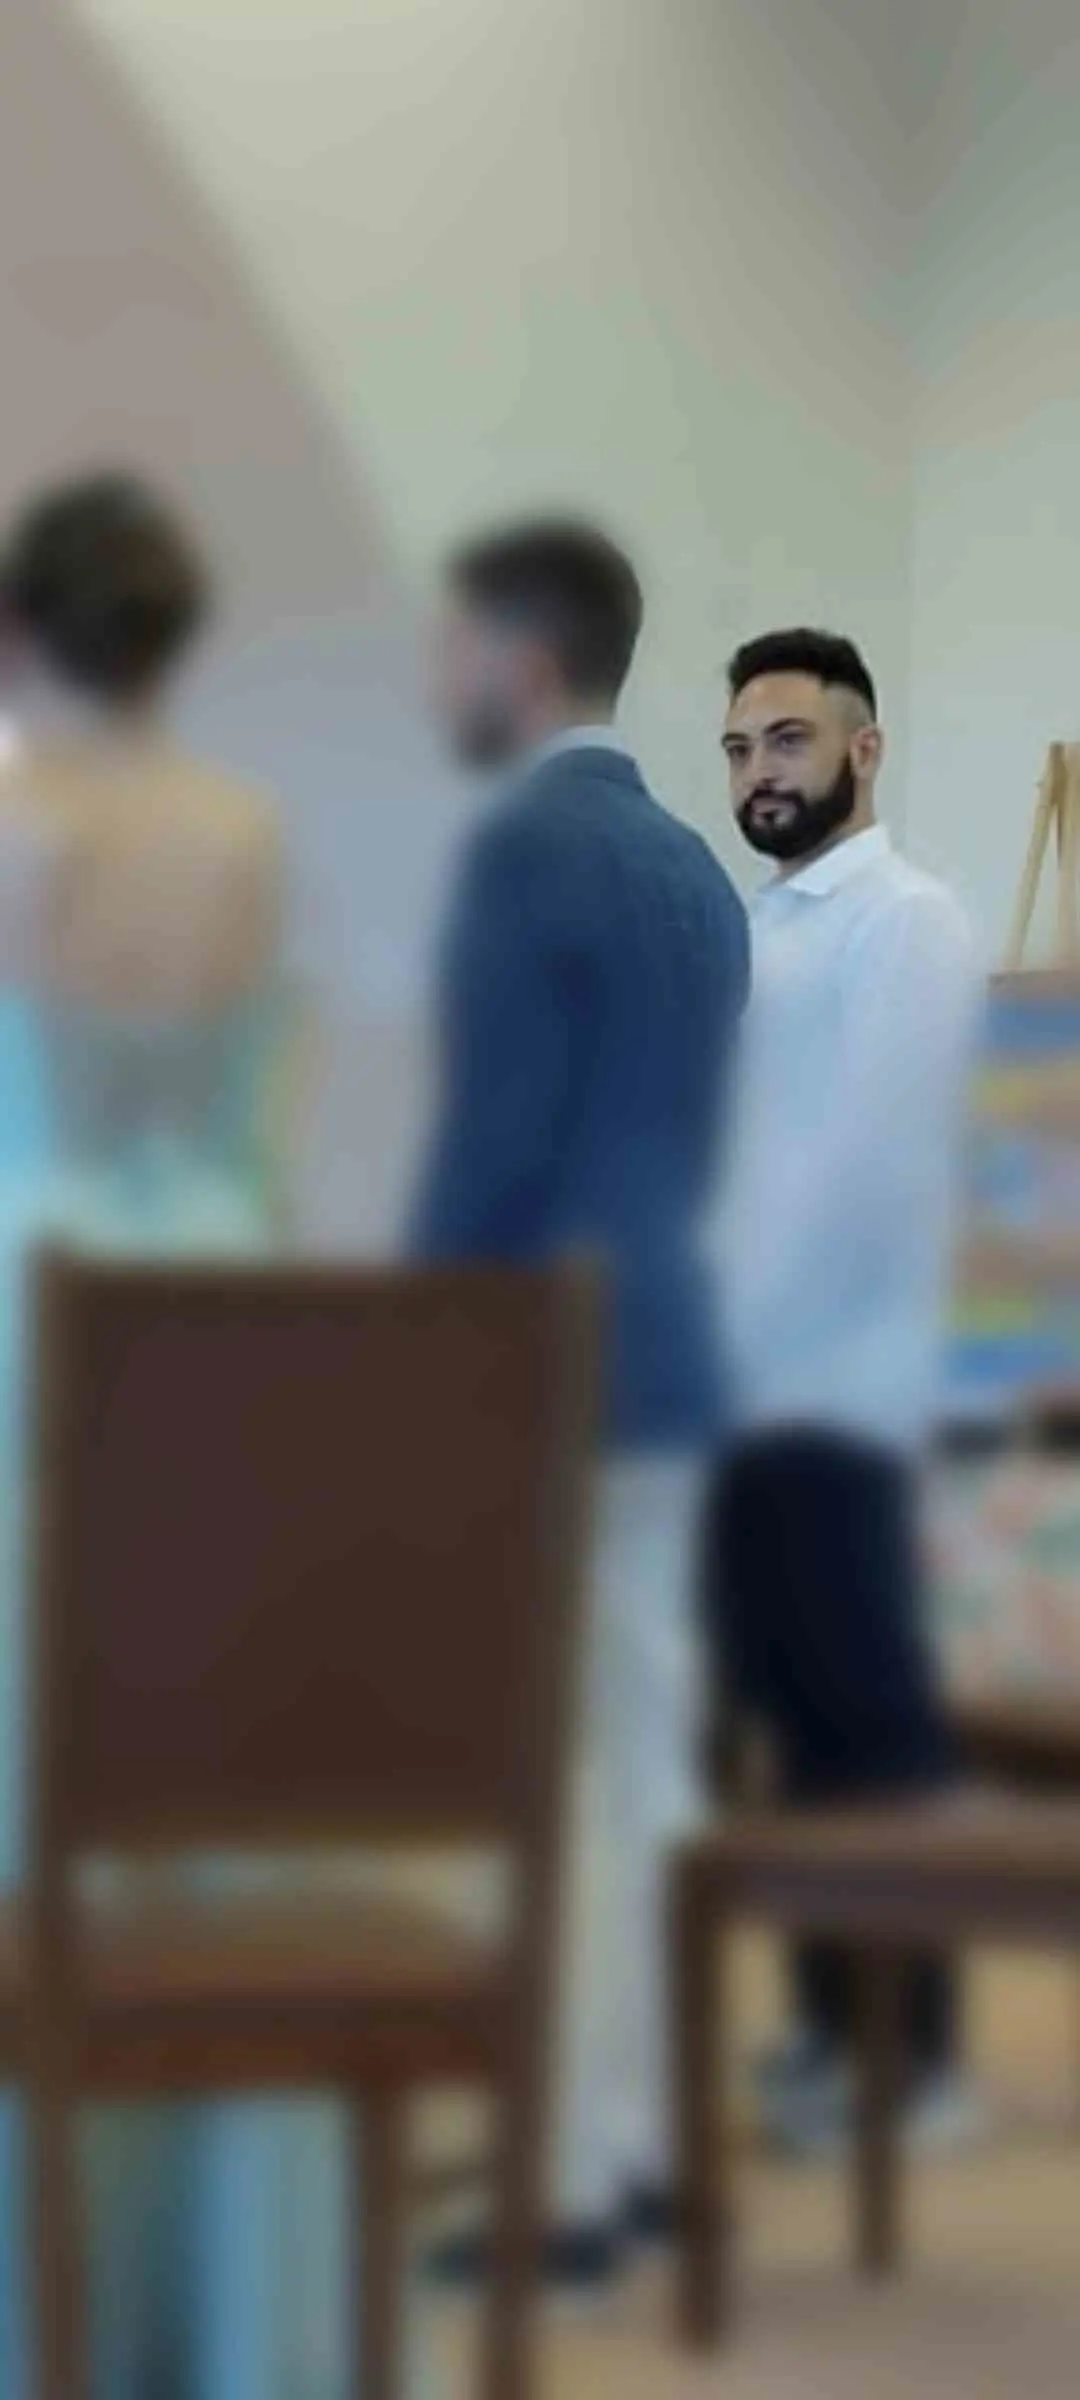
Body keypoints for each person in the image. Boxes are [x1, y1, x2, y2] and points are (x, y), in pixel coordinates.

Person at [0, 472, 326, 2400]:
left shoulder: (11, 824)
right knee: (201, 1829)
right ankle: (216, 2334)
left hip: (25, 1315)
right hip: (219, 1331)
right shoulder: (247, 835)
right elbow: (263, 1134)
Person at [410, 519, 749, 2277]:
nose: (437, 674)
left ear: (522, 658)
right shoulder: (697, 868)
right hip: (674, 1349)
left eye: (452, 641)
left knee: (549, 1788)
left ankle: (559, 2192)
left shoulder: (517, 848)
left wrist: (397, 1362)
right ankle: (645, 2155)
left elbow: (489, 1153)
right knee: (647, 1768)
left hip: (543, 1367)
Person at [704, 627, 982, 2154]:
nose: (761, 772)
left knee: (869, 1730)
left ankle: (920, 2061)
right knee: (795, 1732)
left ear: (864, 750)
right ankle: (831, 2031)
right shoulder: (759, 926)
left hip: (845, 1392)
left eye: (790, 740)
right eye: (742, 748)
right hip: (752, 1394)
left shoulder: (909, 923)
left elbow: (870, 1174)